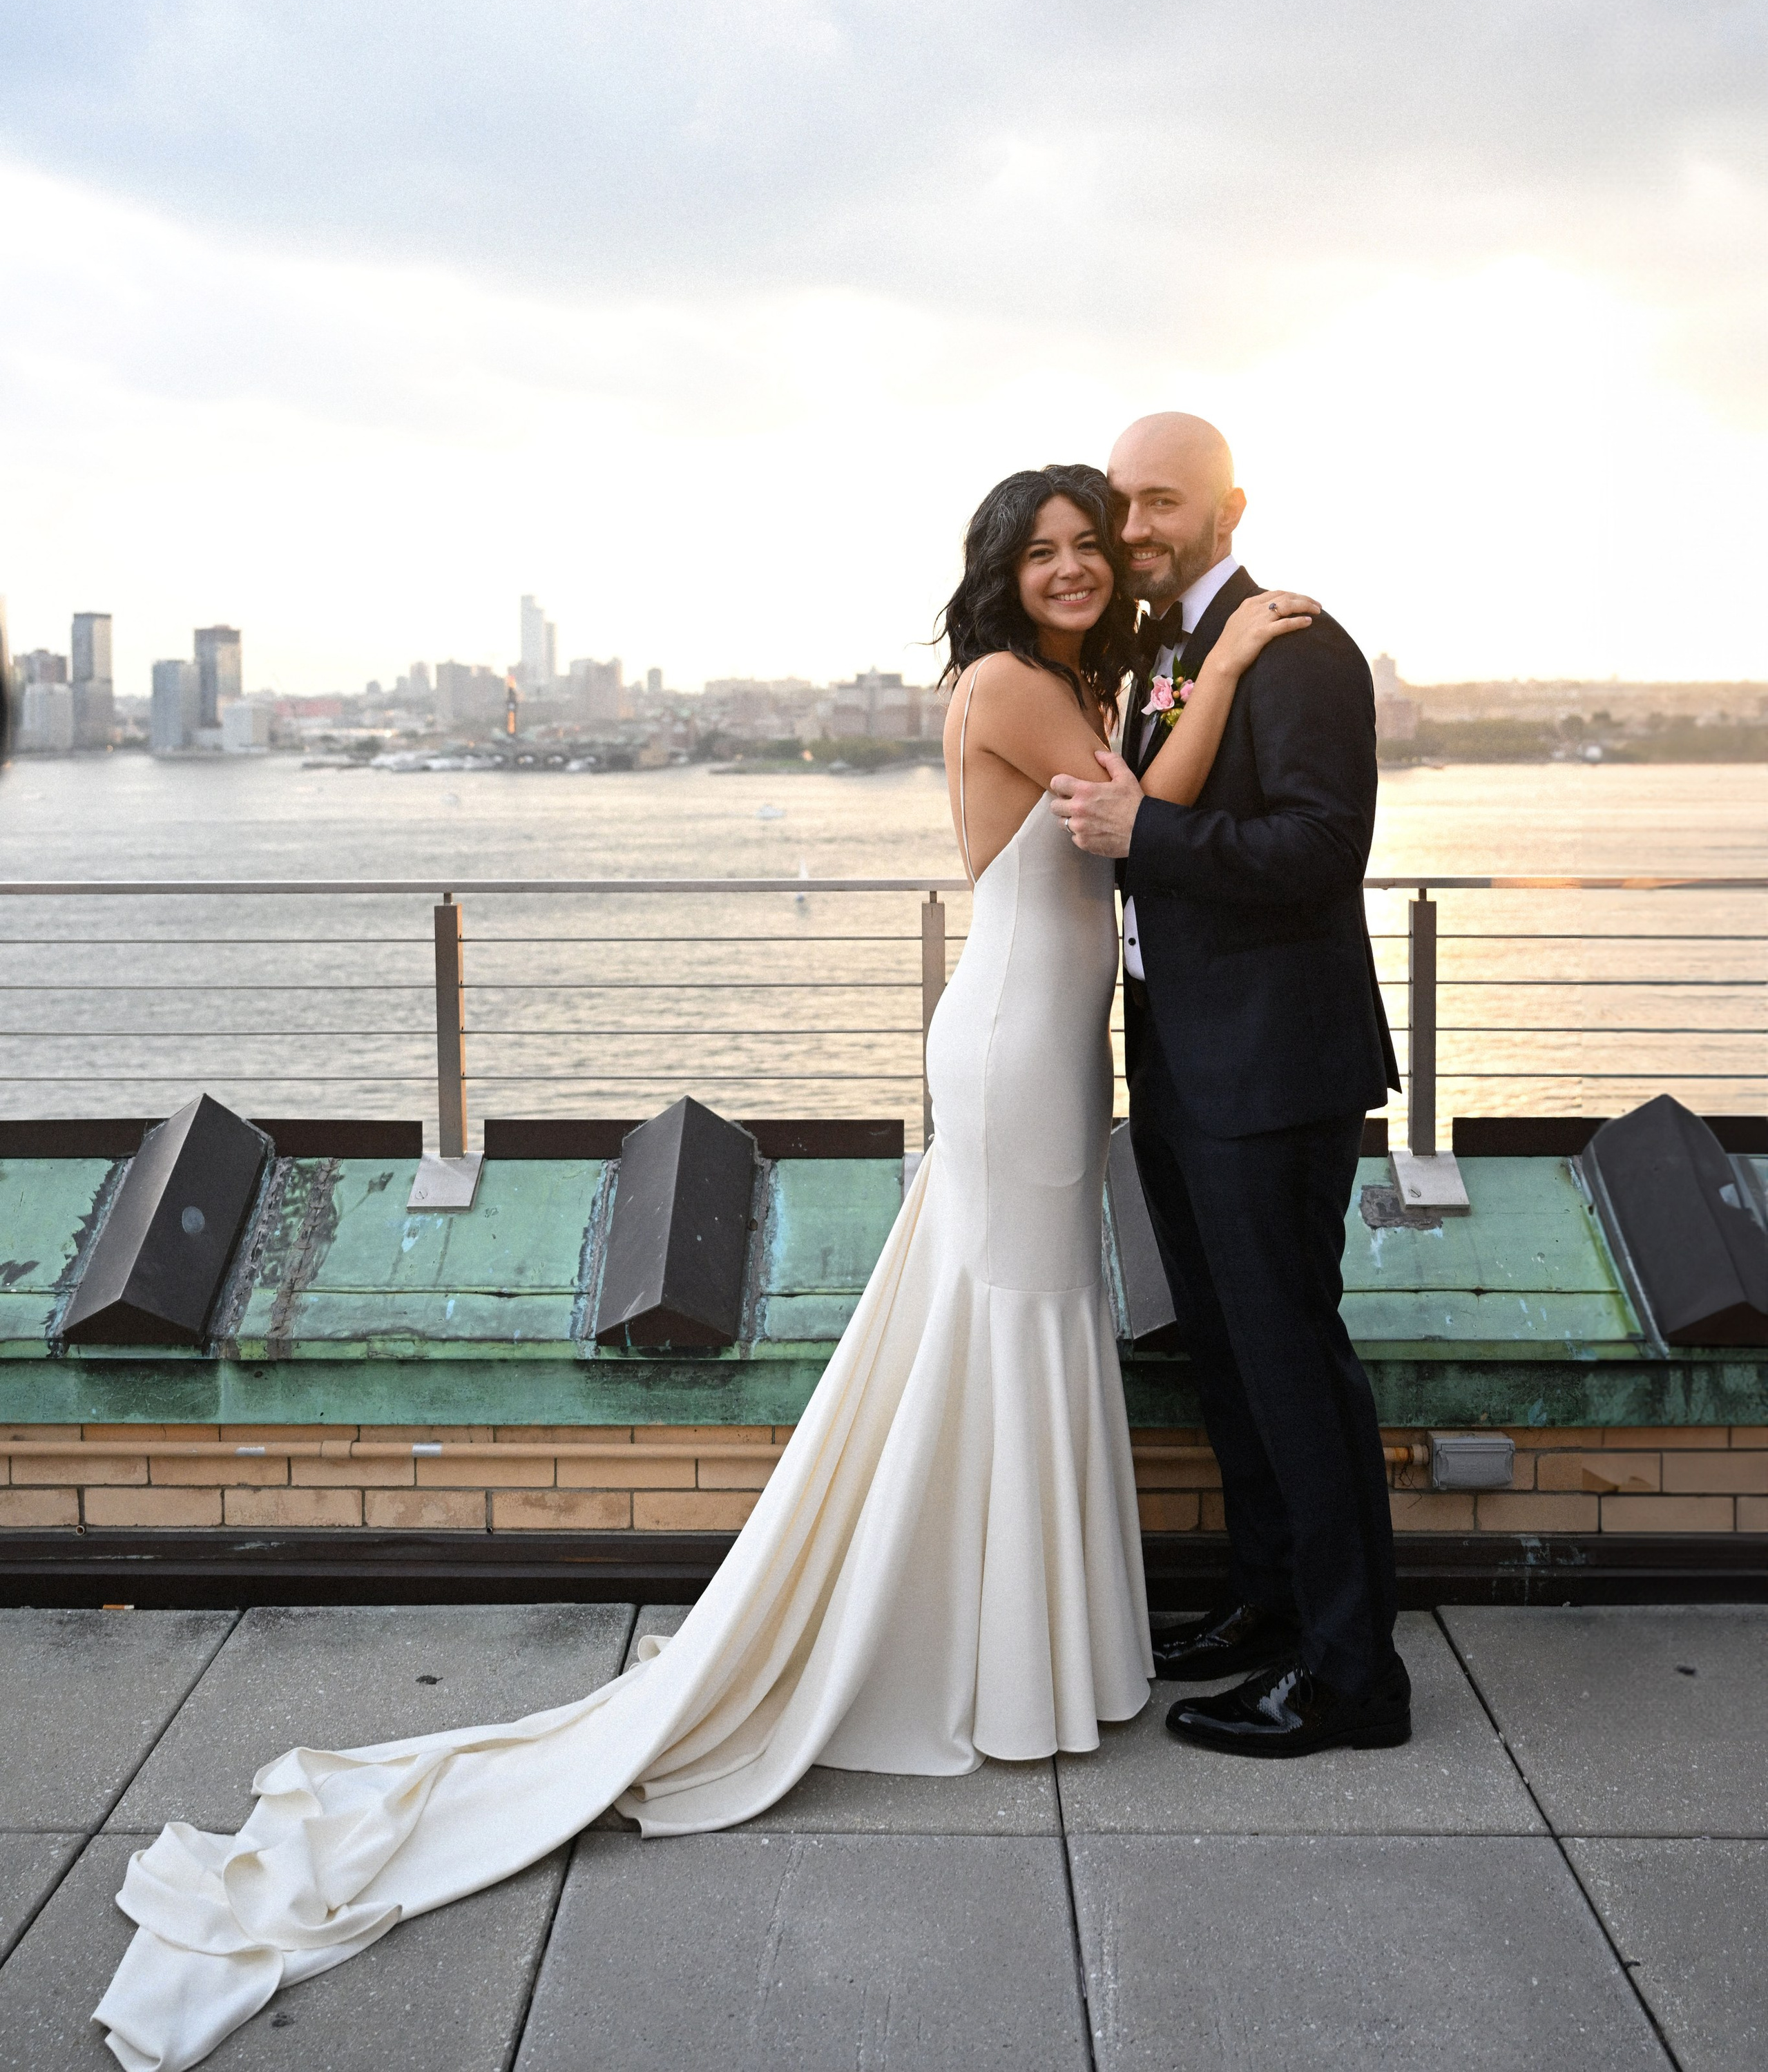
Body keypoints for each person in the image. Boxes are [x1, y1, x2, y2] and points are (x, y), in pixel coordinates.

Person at [94, 461, 1309, 2072]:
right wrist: (1222, 668)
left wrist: (1177, 678)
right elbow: (1126, 818)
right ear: (1000, 574)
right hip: (1018, 1046)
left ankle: (1036, 1640)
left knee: (1028, 1313)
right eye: (1047, 552)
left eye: (1093, 546)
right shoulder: (1016, 684)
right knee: (1016, 1311)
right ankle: (1009, 1661)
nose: (1076, 569)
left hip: (1039, 1041)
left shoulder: (1057, 673)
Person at [1050, 414, 1407, 1759]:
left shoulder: (1299, 647)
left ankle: (1350, 1680)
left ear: (1226, 507)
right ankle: (1267, 1609)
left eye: (1159, 504)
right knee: (1226, 1357)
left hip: (1272, 1071)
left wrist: (1151, 834)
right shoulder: (1156, 653)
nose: (1136, 528)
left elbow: (1320, 847)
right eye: (1120, 505)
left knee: (1291, 1365)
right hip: (1188, 1066)